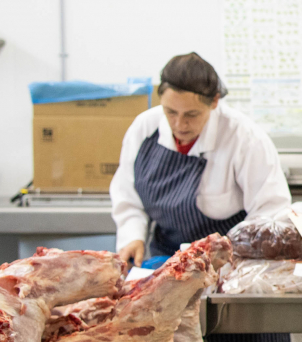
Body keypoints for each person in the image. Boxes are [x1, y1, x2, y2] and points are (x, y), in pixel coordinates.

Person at [110, 52, 292, 266]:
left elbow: (270, 212)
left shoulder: (245, 138)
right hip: (165, 259)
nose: (179, 125)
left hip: (226, 262)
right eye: (170, 112)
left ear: (214, 101)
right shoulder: (144, 129)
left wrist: (239, 262)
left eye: (191, 115)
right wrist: (133, 235)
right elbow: (128, 196)